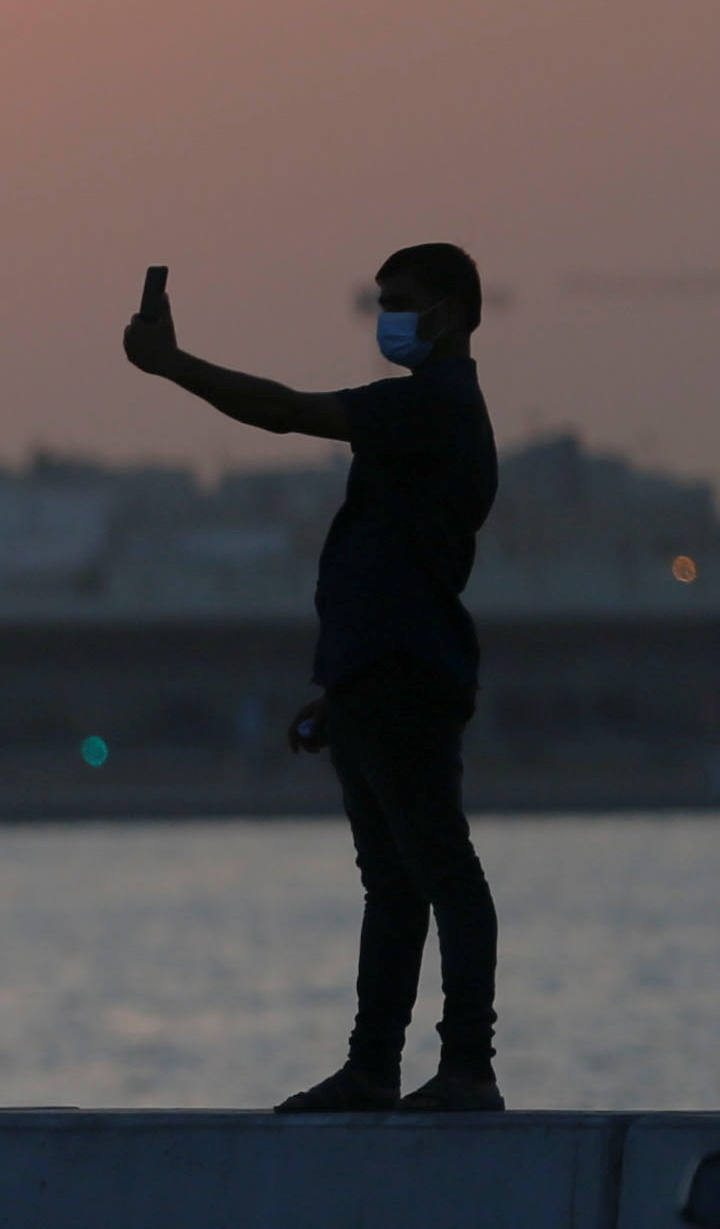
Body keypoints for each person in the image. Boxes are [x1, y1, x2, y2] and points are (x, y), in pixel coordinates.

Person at [122, 243, 502, 1113]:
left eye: (402, 301)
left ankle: (466, 1066)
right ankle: (373, 1068)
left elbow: (286, 411)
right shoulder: (429, 415)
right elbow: (391, 561)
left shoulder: (435, 406)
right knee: (396, 881)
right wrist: (340, 692)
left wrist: (172, 364)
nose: (387, 318)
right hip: (373, 678)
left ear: (453, 309)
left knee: (440, 870)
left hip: (406, 675)